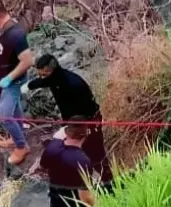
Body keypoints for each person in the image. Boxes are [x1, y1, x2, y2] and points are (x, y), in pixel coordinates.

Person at [24, 54, 113, 189]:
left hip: (88, 123)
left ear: (50, 71)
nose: (41, 78)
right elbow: (39, 83)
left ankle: (109, 184)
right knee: (78, 155)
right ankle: (86, 184)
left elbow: (87, 110)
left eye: (43, 75)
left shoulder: (74, 84)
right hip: (71, 123)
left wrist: (74, 130)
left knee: (96, 156)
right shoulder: (53, 79)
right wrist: (27, 86)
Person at [0, 0, 33, 164]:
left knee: (4, 116)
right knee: (14, 108)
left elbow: (28, 61)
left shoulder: (15, 34)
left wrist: (9, 77)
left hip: (12, 82)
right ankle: (16, 136)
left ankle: (21, 146)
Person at [38, 119, 97, 207]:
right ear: (84, 137)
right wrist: (101, 206)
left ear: (66, 132)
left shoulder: (52, 148)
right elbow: (85, 198)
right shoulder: (83, 161)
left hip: (55, 201)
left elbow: (43, 166)